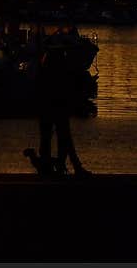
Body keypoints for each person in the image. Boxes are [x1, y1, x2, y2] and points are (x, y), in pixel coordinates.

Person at [28, 47, 91, 177]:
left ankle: (49, 165)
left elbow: (38, 90)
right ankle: (67, 165)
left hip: (47, 108)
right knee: (64, 138)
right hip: (57, 108)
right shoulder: (61, 74)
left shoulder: (44, 73)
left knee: (48, 138)